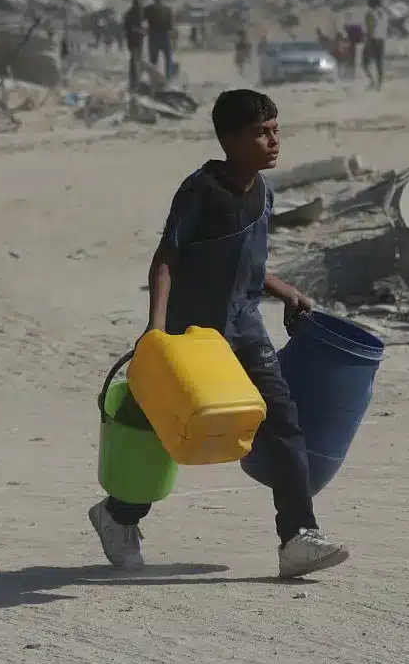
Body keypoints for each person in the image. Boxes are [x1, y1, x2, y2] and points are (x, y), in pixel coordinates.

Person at [89, 89, 351, 580]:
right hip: (193, 336)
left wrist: (285, 290)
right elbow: (167, 258)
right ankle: (118, 514)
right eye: (260, 133)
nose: (273, 141)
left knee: (283, 420)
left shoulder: (264, 192)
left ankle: (298, 537)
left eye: (275, 129)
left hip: (245, 326)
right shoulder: (201, 191)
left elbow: (247, 265)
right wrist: (156, 331)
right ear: (228, 140)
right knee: (170, 430)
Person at [145, 0, 175, 82]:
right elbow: (171, 24)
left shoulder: (149, 9)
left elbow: (142, 20)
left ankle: (158, 77)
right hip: (161, 35)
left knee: (156, 58)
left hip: (155, 35)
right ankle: (166, 77)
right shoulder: (166, 9)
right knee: (165, 57)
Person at [361, 0, 387, 89]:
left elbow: (370, 28)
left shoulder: (370, 13)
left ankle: (372, 82)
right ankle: (379, 84)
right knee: (379, 63)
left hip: (373, 40)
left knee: (364, 63)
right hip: (382, 39)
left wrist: (367, 41)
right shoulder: (383, 13)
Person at [122, 0, 147, 91]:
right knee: (135, 61)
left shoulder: (139, 13)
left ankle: (135, 82)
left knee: (137, 61)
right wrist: (140, 31)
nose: (141, 4)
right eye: (139, 2)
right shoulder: (131, 14)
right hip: (133, 40)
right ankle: (135, 83)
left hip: (138, 40)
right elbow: (128, 28)